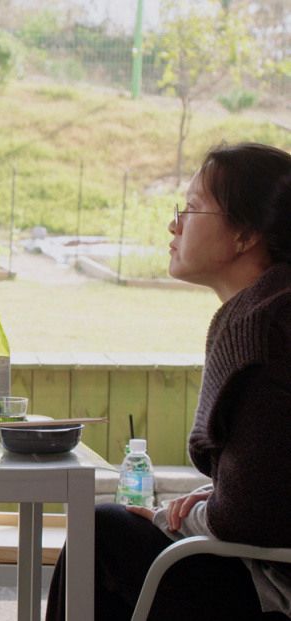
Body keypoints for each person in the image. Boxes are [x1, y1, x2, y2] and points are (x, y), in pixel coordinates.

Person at [46, 142, 291, 621]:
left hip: (273, 591)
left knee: (101, 530)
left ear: (245, 235)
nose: (174, 224)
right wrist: (215, 496)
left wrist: (175, 517)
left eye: (193, 208)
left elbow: (251, 516)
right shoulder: (274, 310)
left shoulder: (264, 328)